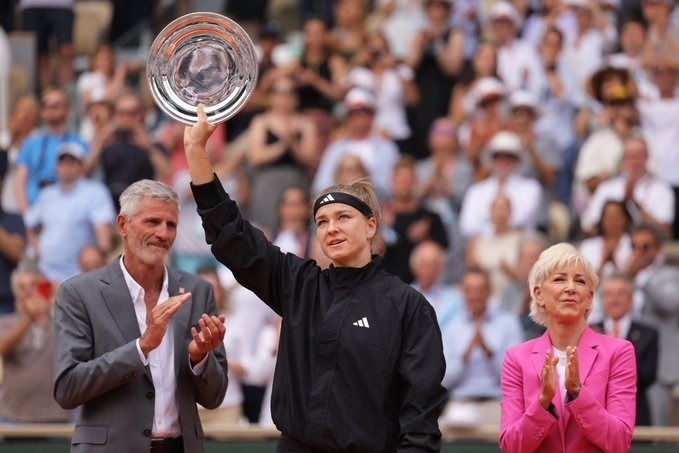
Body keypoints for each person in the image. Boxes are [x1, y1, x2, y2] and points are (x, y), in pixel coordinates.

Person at [184, 104, 447, 451]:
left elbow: (420, 414)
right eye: (322, 222)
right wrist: (196, 152)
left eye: (343, 217)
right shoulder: (300, 285)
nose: (331, 228)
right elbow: (234, 238)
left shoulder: (407, 305)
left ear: (371, 226)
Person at [53, 179, 229, 453]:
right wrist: (141, 347)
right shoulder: (79, 293)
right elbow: (67, 389)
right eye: (152, 222)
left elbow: (215, 397)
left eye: (171, 225)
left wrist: (200, 359)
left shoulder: (197, 291)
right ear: (123, 225)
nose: (163, 233)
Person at [500, 242, 637, 452]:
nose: (571, 288)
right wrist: (542, 403)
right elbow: (511, 446)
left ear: (590, 298)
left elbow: (619, 441)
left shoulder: (619, 352)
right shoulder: (516, 359)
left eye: (580, 281)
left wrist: (579, 395)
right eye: (559, 279)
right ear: (538, 294)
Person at [441, 268, 524, 427]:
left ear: (489, 292)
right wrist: (464, 357)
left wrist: (488, 353)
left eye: (480, 290)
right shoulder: (451, 327)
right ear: (463, 293)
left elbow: (517, 378)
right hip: (460, 404)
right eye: (470, 290)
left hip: (497, 403)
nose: (475, 296)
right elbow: (444, 380)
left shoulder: (509, 323)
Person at [24, 142, 115, 284]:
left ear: (81, 166)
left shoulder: (95, 191)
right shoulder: (47, 194)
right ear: (56, 166)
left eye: (72, 162)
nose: (66, 166)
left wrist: (102, 257)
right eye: (63, 162)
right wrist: (37, 248)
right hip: (46, 274)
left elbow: (103, 230)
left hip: (79, 276)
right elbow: (30, 223)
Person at [0, 262, 70, 422]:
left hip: (56, 416)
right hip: (14, 416)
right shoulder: (6, 322)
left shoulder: (60, 323)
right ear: (15, 292)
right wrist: (28, 319)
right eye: (22, 287)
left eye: (33, 285)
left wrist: (61, 299)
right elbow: (2, 348)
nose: (28, 292)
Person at [624, 223, 679, 426]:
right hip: (625, 365)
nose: (639, 253)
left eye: (645, 247)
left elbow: (670, 303)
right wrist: (627, 279)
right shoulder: (624, 276)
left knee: (655, 430)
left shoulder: (670, 274)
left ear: (658, 249)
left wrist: (641, 280)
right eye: (634, 247)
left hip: (657, 367)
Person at [592, 273, 658, 426]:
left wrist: (608, 365)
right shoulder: (588, 332)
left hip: (636, 416)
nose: (614, 300)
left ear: (631, 298)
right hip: (596, 417)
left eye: (620, 294)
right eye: (608, 294)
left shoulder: (648, 333)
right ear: (602, 299)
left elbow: (648, 375)